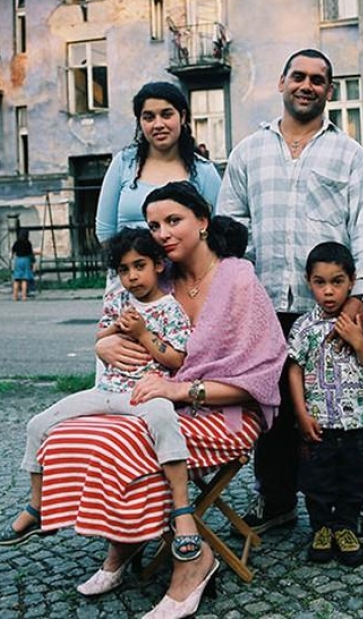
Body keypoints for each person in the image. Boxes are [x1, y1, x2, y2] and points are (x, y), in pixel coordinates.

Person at [65, 181, 286, 618]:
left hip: (230, 412)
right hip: (161, 405)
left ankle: (194, 561)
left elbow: (263, 376)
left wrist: (180, 389)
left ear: (202, 221)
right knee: (89, 431)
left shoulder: (239, 280)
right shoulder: (156, 278)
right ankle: (123, 541)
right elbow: (113, 328)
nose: (162, 232)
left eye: (173, 220)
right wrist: (101, 345)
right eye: (154, 225)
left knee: (131, 441)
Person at [217, 47, 363, 541]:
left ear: (329, 91)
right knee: (271, 412)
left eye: (318, 79)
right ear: (282, 82)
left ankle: (344, 509)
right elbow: (230, 232)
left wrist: (361, 297)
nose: (307, 86)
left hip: (329, 312)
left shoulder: (350, 155)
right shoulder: (250, 151)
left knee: (336, 416)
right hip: (265, 308)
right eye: (299, 76)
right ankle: (275, 503)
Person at [0, 227, 202, 564]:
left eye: (139, 266)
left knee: (166, 420)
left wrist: (142, 333)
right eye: (124, 270)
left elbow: (176, 359)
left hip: (147, 392)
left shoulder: (170, 309)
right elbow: (101, 334)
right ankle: (38, 507)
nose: (132, 277)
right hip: (106, 390)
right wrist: (115, 329)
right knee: (38, 424)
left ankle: (182, 510)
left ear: (159, 266)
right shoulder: (118, 300)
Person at [288, 242, 363, 567]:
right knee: (316, 480)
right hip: (318, 423)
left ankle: (346, 526)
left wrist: (358, 342)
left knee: (356, 479)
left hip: (358, 424)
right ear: (308, 281)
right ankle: (321, 528)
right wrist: (301, 414)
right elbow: (293, 368)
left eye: (337, 282)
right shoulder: (304, 327)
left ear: (352, 281)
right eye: (320, 282)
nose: (329, 292)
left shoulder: (362, 324)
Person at [94, 81, 221, 245]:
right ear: (140, 122)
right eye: (149, 117)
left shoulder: (204, 171)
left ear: (182, 117)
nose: (158, 124)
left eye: (166, 115)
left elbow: (217, 231)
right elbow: (105, 231)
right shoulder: (124, 163)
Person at [10, 228, 35, 301]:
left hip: (18, 260)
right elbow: (30, 253)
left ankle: (15, 296)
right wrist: (33, 261)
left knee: (16, 279)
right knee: (24, 279)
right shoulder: (28, 243)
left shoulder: (16, 243)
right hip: (26, 260)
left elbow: (13, 251)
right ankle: (24, 297)